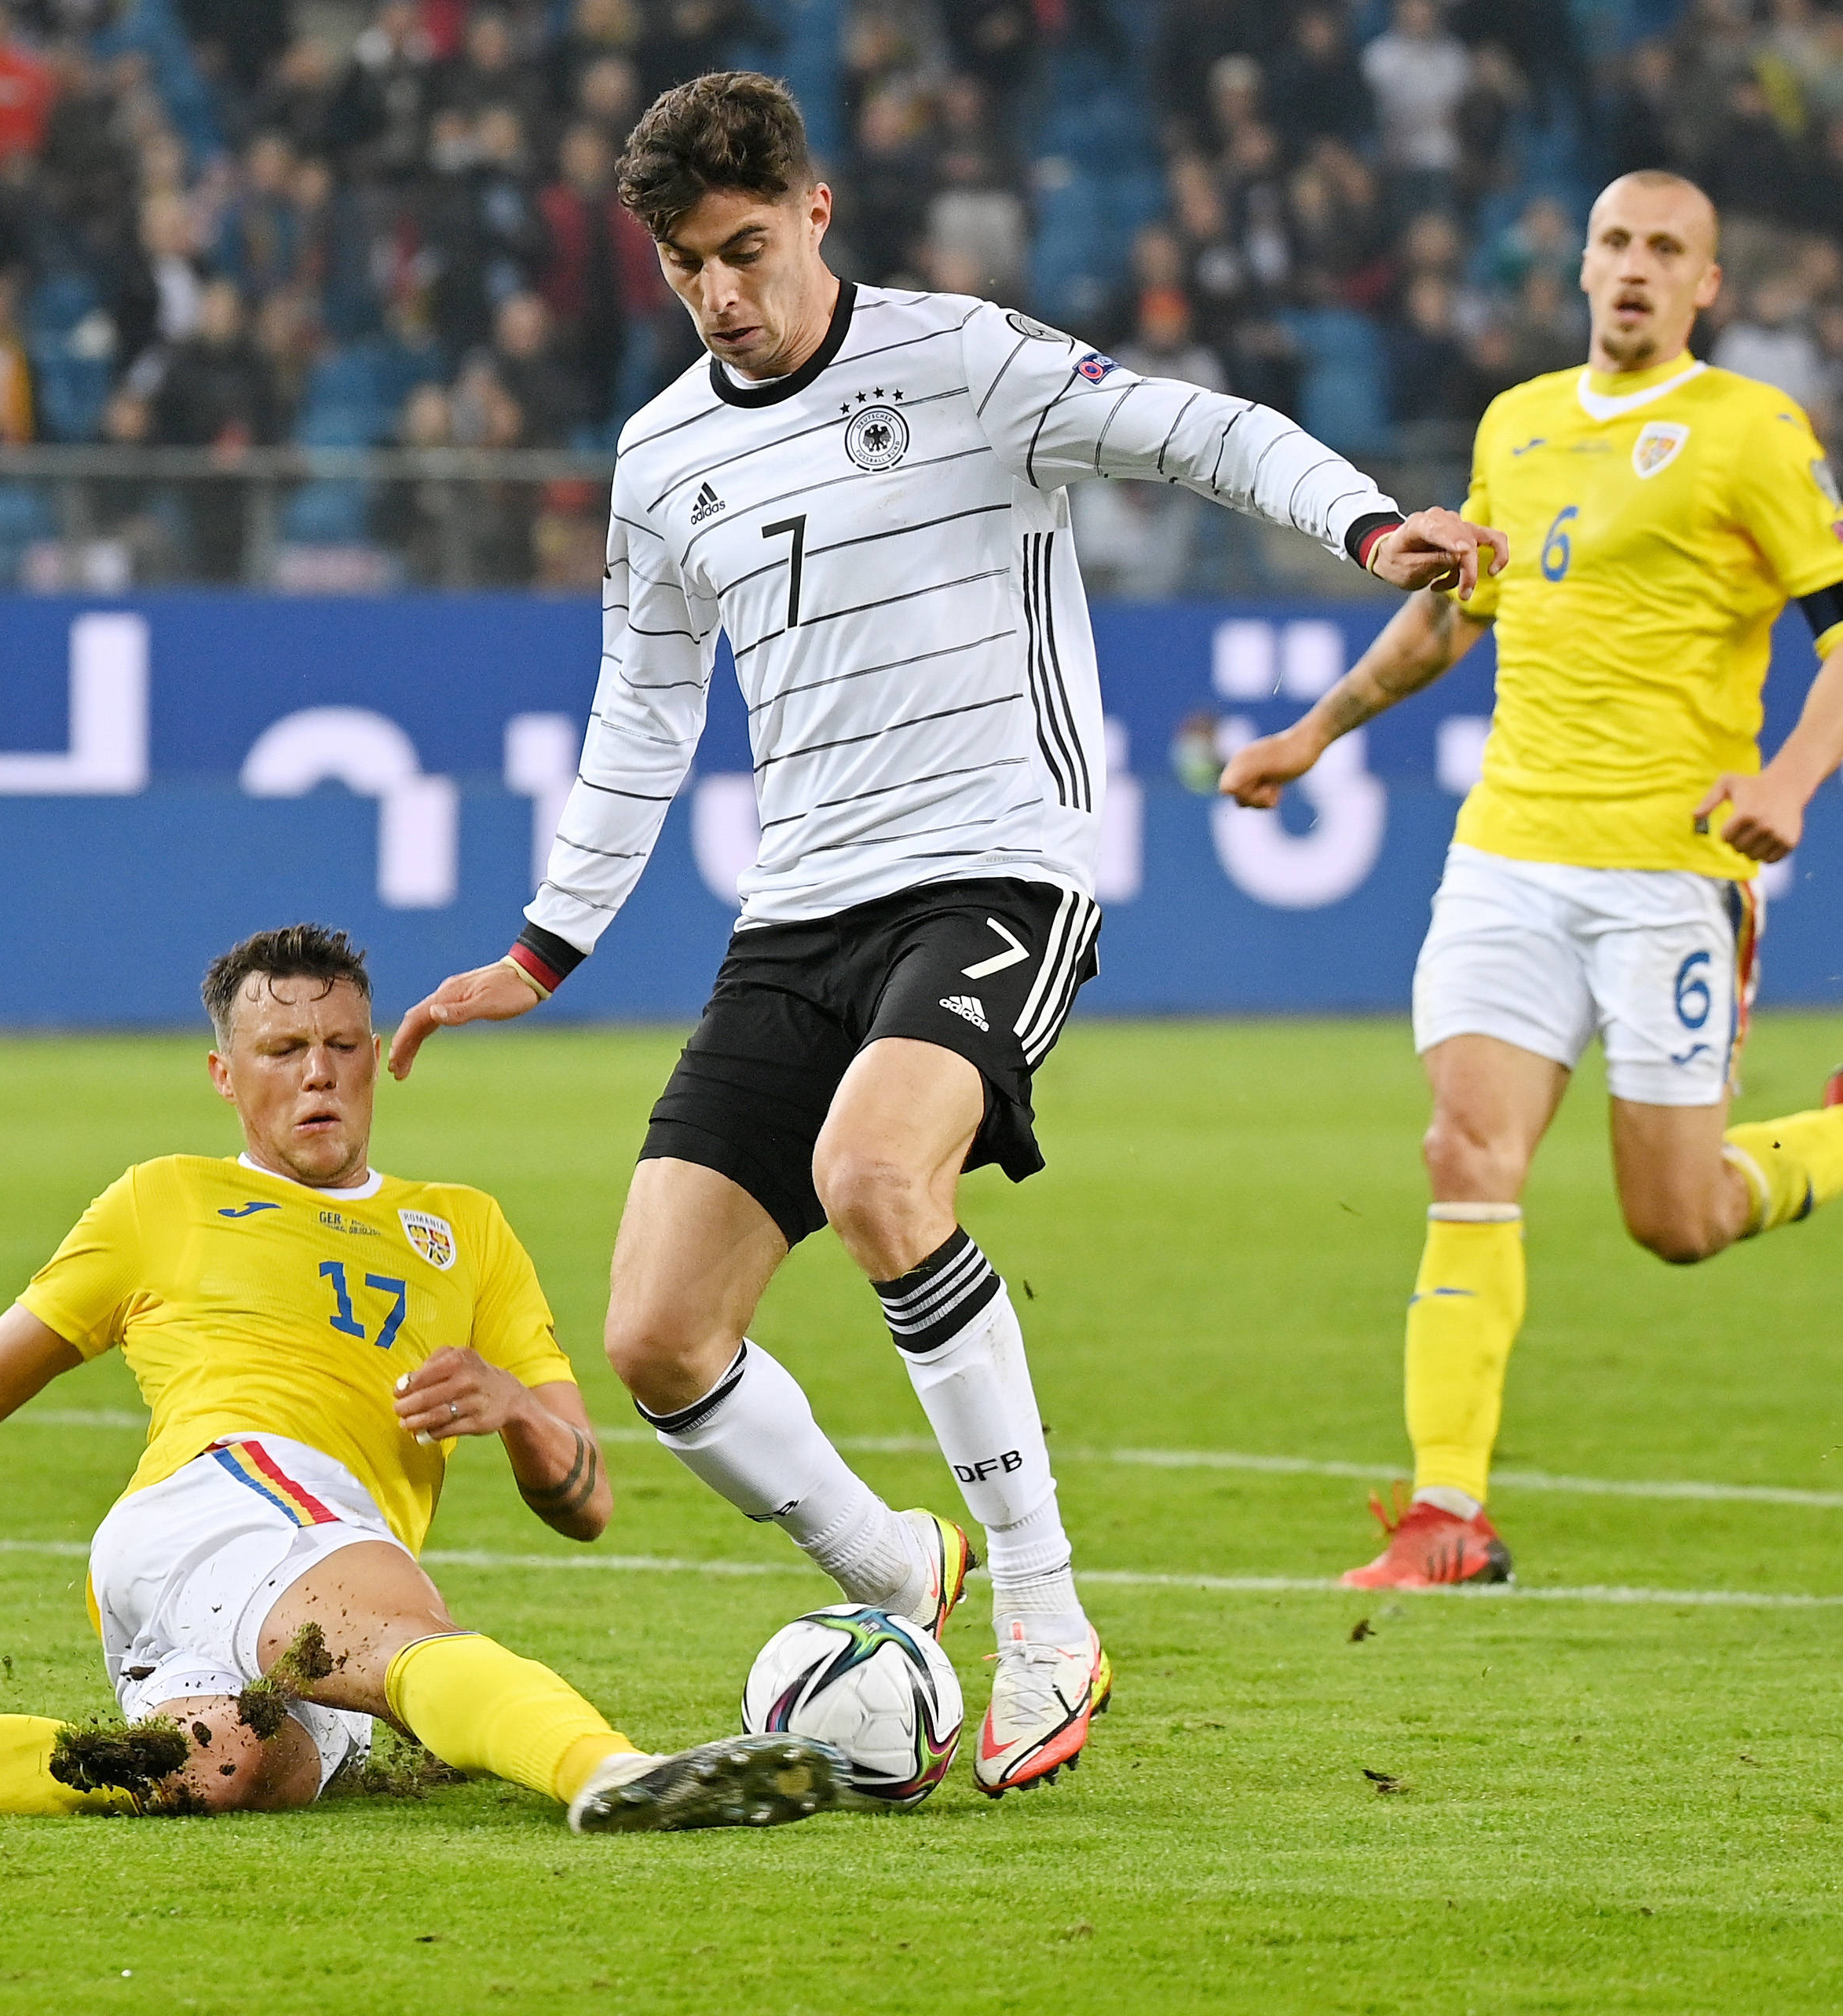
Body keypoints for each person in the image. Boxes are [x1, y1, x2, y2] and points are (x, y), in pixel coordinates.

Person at [390, 73, 1500, 1795]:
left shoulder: (967, 360)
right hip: (799, 912)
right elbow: (643, 707)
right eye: (688, 268)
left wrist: (1366, 525)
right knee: (659, 1338)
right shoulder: (664, 453)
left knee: (878, 1179)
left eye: (747, 250)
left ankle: (1047, 1617)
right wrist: (549, 947)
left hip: (997, 871)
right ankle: (901, 1571)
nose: (723, 296)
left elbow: (1199, 428)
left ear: (816, 212)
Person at [0, 926, 847, 1838]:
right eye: (284, 1047)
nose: (319, 1073)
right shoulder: (166, 1199)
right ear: (224, 1074)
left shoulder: (466, 1229)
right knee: (395, 1635)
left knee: (214, 1770)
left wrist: (519, 1415)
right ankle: (610, 1775)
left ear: (378, 1057)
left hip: (297, 1551)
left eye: (343, 1045)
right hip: (226, 1494)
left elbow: (586, 1503)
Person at [1219, 172, 1843, 1592]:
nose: (1635, 267)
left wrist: (1785, 784)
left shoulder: (1753, 431)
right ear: (1580, 264)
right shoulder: (1518, 420)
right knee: (1463, 1150)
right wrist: (1309, 734)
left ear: (1707, 287)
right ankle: (1448, 1514)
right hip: (1507, 854)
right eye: (1616, 242)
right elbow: (1451, 622)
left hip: (1665, 871)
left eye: (1667, 249)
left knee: (1674, 1221)